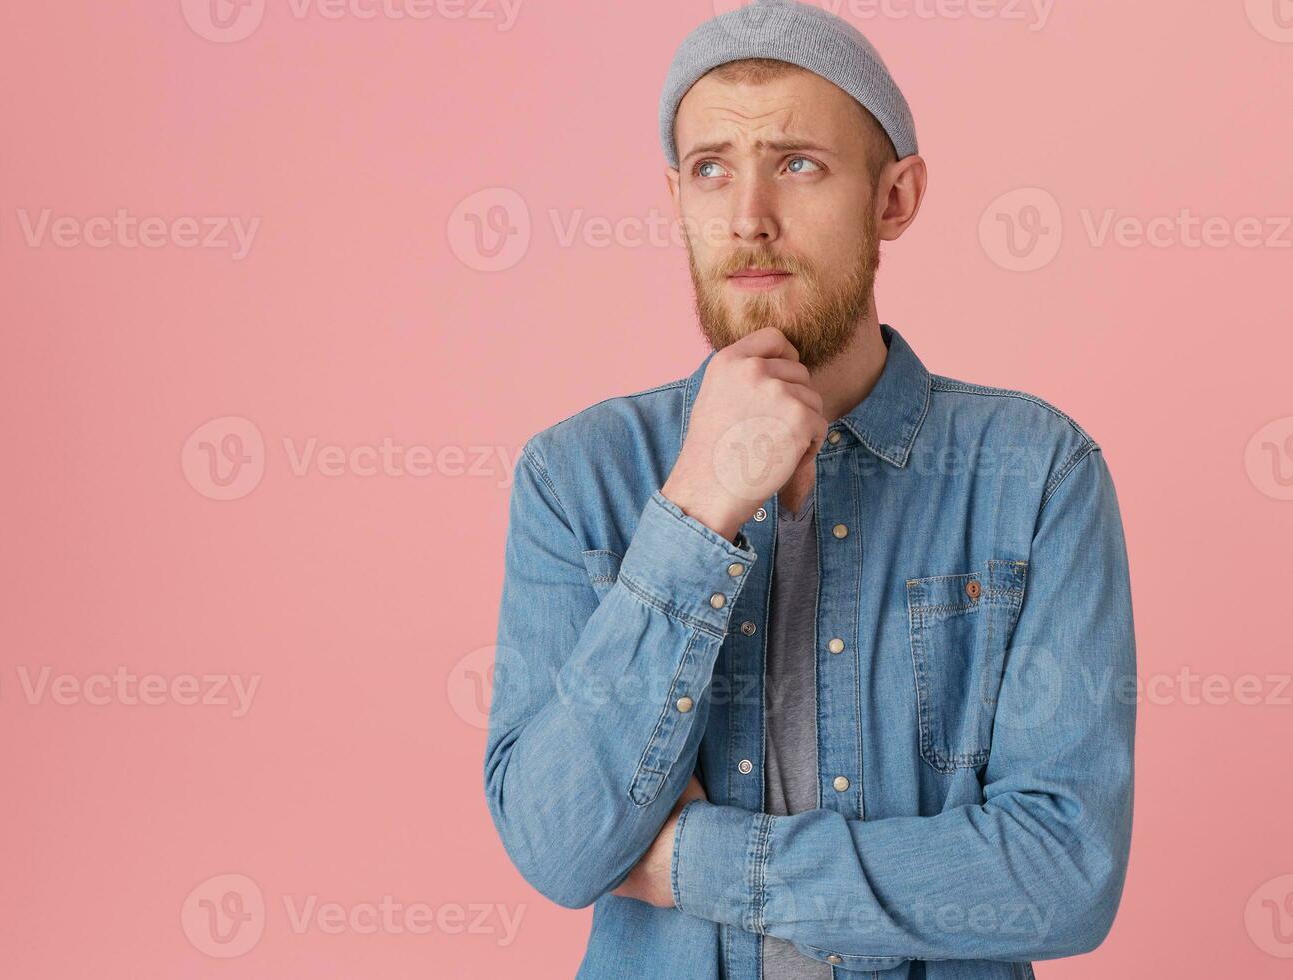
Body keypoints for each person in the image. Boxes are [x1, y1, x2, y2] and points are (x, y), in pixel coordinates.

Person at [482, 3, 1136, 978]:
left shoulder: (1036, 473)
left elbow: (1064, 870)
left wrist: (697, 860)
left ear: (896, 198)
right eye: (711, 168)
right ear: (676, 197)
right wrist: (696, 509)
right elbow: (558, 843)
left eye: (796, 162)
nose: (748, 215)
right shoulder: (576, 475)